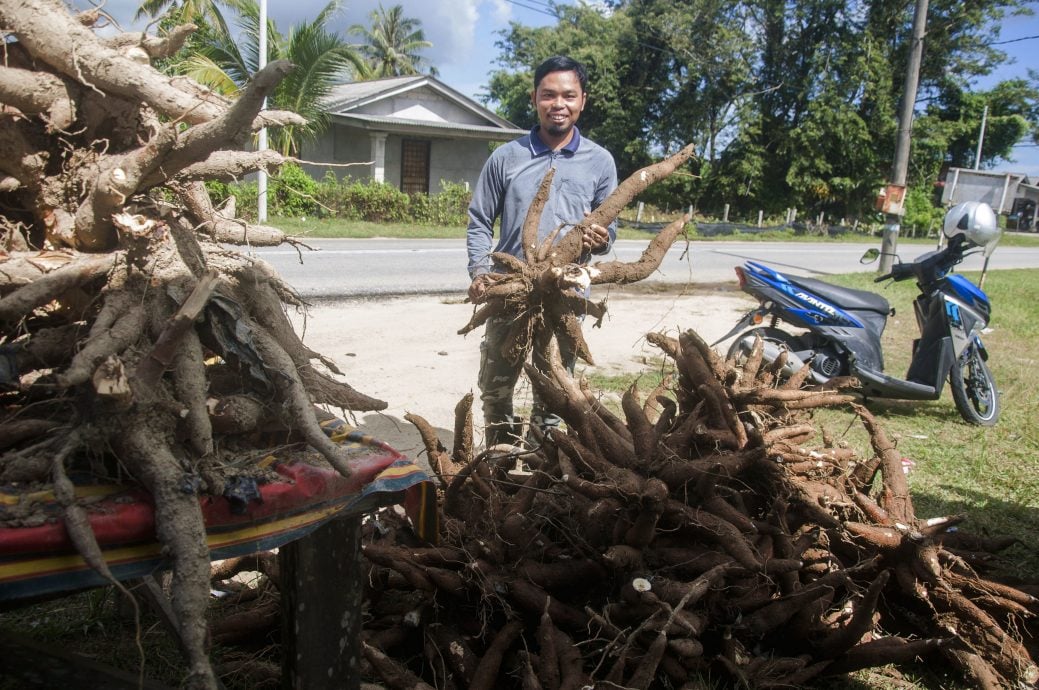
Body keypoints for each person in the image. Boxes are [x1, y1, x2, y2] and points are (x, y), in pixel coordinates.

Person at [465, 54, 618, 448]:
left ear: (583, 100)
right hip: (510, 291)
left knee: (553, 396)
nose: (558, 104)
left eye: (569, 95)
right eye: (549, 95)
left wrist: (601, 237)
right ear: (535, 98)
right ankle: (498, 467)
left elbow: (609, 229)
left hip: (565, 296)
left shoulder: (600, 162)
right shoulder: (506, 157)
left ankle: (542, 474)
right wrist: (480, 272)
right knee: (496, 392)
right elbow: (480, 220)